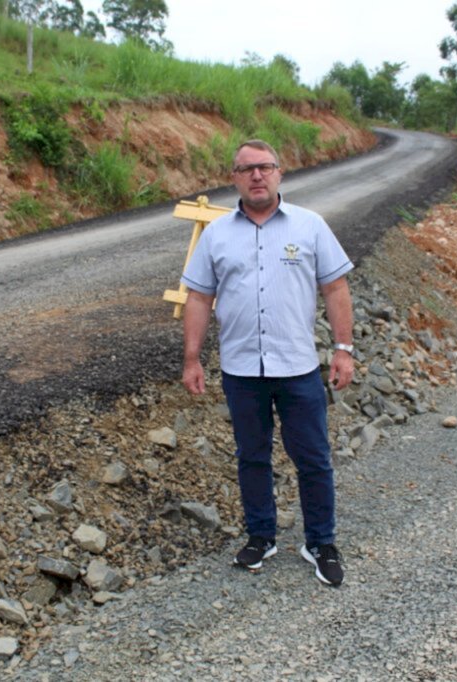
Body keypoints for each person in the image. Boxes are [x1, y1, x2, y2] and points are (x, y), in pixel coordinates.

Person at [180, 139, 355, 587]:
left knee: (313, 458)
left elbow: (335, 289)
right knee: (251, 457)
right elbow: (199, 296)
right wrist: (192, 358)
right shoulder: (217, 234)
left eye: (265, 167)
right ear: (234, 177)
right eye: (246, 169)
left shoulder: (310, 226)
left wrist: (343, 349)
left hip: (297, 369)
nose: (256, 176)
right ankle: (261, 535)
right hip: (241, 372)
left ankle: (321, 542)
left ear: (280, 173)